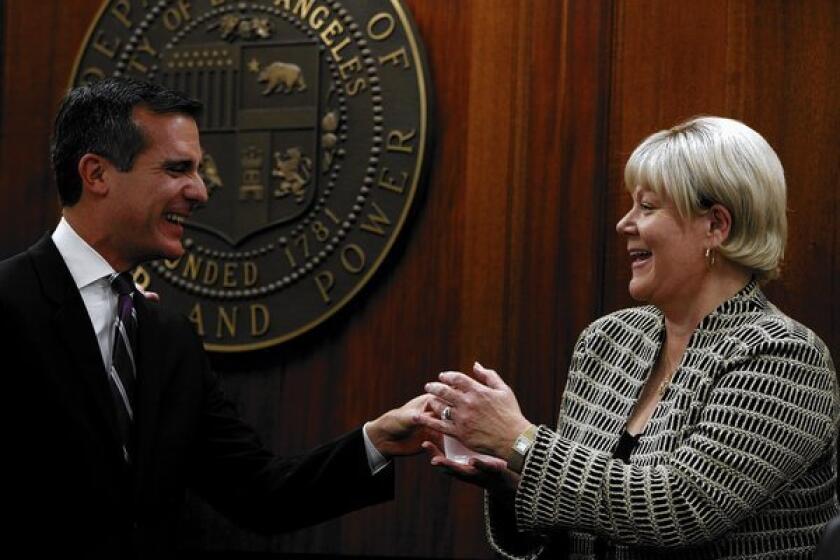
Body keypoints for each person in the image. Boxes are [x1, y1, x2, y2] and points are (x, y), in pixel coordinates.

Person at [0, 77, 434, 557]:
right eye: (177, 169)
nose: (201, 192)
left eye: (199, 171)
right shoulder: (10, 301)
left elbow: (260, 492)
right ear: (97, 174)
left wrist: (376, 440)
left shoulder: (169, 340)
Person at [417, 116, 839, 559]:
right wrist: (511, 484)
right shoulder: (607, 340)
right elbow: (584, 525)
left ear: (716, 225)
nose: (624, 223)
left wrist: (521, 440)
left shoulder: (784, 355)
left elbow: (680, 508)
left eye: (648, 207)